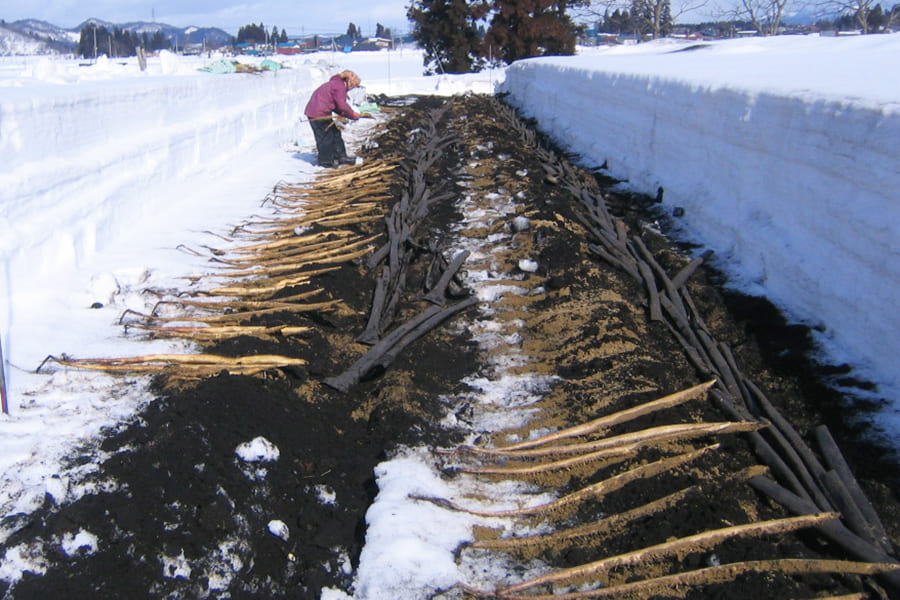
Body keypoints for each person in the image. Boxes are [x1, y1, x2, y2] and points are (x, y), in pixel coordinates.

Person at [304, 70, 364, 168]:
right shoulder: (339, 87)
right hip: (317, 114)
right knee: (325, 137)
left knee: (335, 133)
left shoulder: (337, 84)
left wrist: (345, 114)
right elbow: (342, 105)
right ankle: (325, 162)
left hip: (323, 112)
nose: (351, 89)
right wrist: (352, 115)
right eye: (353, 86)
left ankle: (341, 157)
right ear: (349, 82)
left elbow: (336, 105)